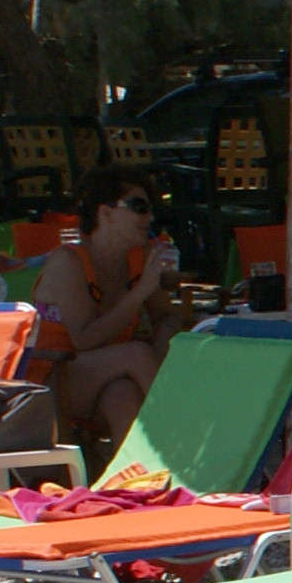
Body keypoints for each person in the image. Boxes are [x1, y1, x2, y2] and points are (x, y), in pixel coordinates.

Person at [28, 168, 179, 445]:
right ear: (106, 213)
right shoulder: (69, 262)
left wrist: (160, 351)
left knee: (122, 396)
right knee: (136, 354)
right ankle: (185, 431)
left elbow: (167, 317)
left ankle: (137, 471)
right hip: (50, 381)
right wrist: (140, 292)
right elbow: (83, 339)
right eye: (139, 207)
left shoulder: (137, 260)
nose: (150, 217)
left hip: (102, 376)